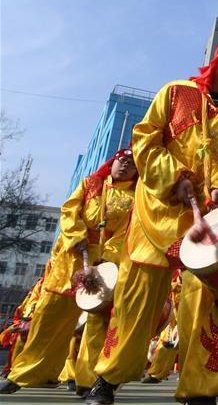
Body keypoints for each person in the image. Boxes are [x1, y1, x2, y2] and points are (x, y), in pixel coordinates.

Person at [85, 37, 218, 405]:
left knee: (205, 302)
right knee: (136, 300)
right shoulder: (175, 93)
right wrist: (173, 177)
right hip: (155, 212)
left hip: (207, 222)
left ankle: (200, 390)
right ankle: (108, 377)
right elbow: (146, 140)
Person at [1, 149, 137, 394]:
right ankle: (27, 374)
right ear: (113, 162)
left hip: (101, 267)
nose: (125, 166)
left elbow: (125, 234)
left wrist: (107, 259)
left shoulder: (136, 197)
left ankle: (87, 381)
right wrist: (77, 236)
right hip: (71, 258)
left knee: (95, 324)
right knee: (49, 315)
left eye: (131, 165)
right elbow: (69, 211)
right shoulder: (90, 184)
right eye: (122, 161)